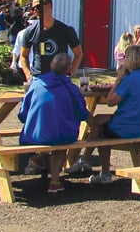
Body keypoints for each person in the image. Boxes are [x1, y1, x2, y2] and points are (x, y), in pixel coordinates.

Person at [71, 45, 140, 183]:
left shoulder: (129, 80)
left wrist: (119, 79)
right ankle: (84, 159)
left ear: (131, 60)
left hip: (127, 127)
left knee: (100, 131)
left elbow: (110, 101)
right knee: (98, 119)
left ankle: (103, 171)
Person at [17, 53, 89, 193]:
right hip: (62, 135)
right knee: (61, 139)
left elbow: (22, 114)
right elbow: (82, 113)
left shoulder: (36, 84)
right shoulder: (71, 88)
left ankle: (40, 157)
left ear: (51, 65)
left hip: (34, 135)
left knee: (51, 129)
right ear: (69, 68)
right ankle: (55, 180)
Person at [18, 0, 82, 80]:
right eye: (33, 8)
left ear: (49, 6)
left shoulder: (66, 30)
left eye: (38, 6)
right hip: (38, 78)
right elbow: (23, 55)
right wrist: (28, 75)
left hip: (59, 77)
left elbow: (78, 54)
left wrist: (69, 74)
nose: (35, 10)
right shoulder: (30, 31)